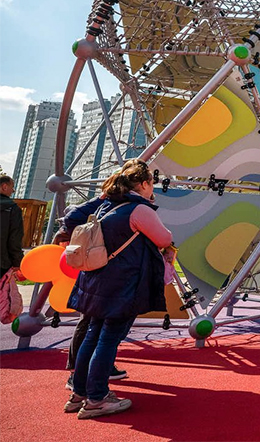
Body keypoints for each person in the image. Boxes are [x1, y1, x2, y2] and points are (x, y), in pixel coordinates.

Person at [64, 159, 175, 419]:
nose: (153, 190)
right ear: (144, 183)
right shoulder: (139, 210)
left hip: (96, 280)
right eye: (151, 184)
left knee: (93, 335)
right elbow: (164, 238)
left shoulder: (106, 206)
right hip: (122, 284)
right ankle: (97, 397)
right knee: (108, 338)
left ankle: (79, 392)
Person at [52, 197, 130, 389]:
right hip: (94, 267)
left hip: (104, 268)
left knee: (98, 325)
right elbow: (71, 219)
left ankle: (101, 367)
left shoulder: (116, 205)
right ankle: (76, 374)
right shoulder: (106, 202)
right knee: (89, 323)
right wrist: (102, 197)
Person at [0, 175, 24, 281]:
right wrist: (17, 262)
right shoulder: (12, 209)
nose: (13, 190)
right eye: (12, 186)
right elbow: (15, 238)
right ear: (4, 187)